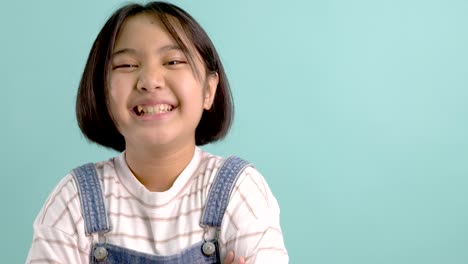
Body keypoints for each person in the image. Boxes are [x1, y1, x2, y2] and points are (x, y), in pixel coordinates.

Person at [26, 1, 288, 263]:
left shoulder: (239, 190)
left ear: (209, 90)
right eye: (126, 65)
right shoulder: (74, 200)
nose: (150, 81)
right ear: (102, 93)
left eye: (173, 61)